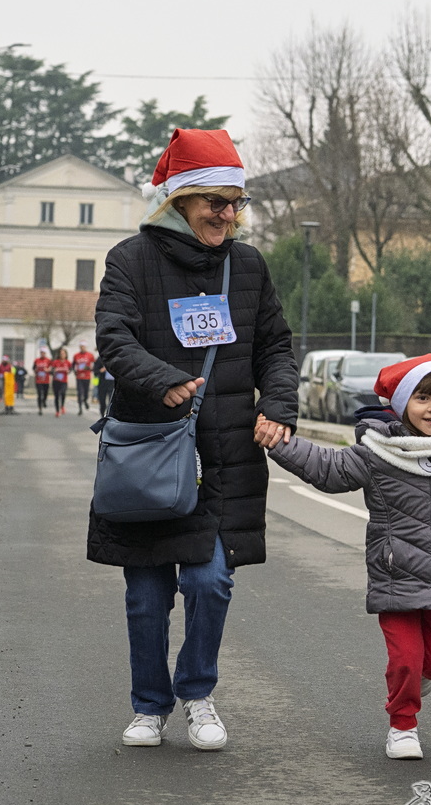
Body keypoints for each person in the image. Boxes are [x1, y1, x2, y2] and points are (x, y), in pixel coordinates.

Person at [89, 127, 298, 752]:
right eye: (215, 203)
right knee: (147, 596)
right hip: (152, 453)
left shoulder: (248, 266)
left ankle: (197, 692)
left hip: (224, 455)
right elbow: (114, 338)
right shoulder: (130, 260)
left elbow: (275, 347)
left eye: (236, 204)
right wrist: (164, 380)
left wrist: (279, 403)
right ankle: (149, 706)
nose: (228, 216)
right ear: (180, 200)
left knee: (211, 582)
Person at [257, 355, 431, 760]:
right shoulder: (377, 453)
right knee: (405, 659)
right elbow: (327, 468)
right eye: (422, 397)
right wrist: (279, 442)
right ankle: (402, 726)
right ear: (401, 403)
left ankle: (418, 678)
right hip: (396, 577)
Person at [72, 341, 96, 415]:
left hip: (87, 377)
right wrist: (74, 371)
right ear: (80, 347)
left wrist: (90, 368)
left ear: (85, 347)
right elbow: (73, 365)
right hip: (79, 377)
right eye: (81, 347)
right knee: (79, 393)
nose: (82, 348)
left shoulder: (90, 355)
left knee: (86, 392)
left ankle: (85, 400)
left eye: (83, 346)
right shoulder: (76, 355)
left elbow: (94, 365)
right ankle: (80, 409)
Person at [50, 347, 72, 416]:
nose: (62, 355)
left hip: (64, 381)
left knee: (63, 393)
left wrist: (68, 371)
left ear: (66, 354)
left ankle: (62, 406)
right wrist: (54, 370)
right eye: (61, 354)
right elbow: (51, 371)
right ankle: (57, 411)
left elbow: (70, 369)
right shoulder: (55, 362)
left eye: (63, 353)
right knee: (56, 396)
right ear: (59, 354)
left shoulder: (68, 362)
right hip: (56, 381)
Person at [31, 346, 53, 415]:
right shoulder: (36, 360)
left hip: (46, 380)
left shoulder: (48, 360)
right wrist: (36, 370)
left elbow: (51, 369)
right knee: (39, 394)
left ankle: (44, 401)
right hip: (38, 380)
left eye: (44, 353)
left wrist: (48, 370)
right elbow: (33, 368)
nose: (42, 354)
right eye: (41, 352)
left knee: (45, 393)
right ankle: (40, 409)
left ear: (45, 353)